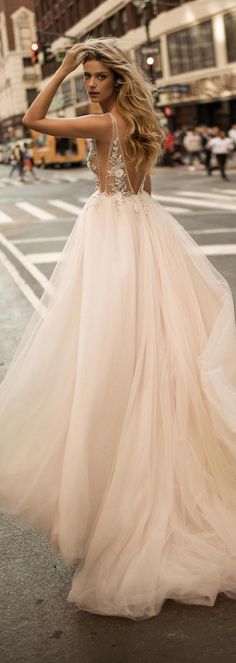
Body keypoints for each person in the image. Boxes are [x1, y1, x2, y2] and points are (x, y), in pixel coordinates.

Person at [1, 37, 236, 622]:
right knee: (150, 349)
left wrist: (57, 70)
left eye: (100, 77)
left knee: (109, 353)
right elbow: (146, 193)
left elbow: (32, 118)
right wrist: (151, 240)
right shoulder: (137, 121)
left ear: (118, 80)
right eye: (88, 78)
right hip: (141, 230)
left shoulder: (106, 124)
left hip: (112, 235)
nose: (92, 85)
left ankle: (127, 494)